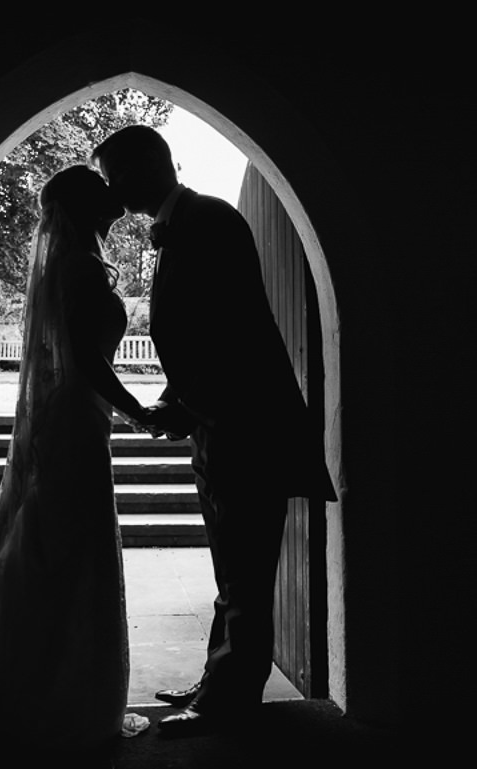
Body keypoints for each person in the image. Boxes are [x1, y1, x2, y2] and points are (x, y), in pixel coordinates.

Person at [91, 125, 339, 736]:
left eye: (115, 176)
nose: (112, 190)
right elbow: (196, 338)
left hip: (247, 428)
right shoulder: (184, 226)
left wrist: (183, 406)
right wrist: (175, 398)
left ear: (148, 166)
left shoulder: (211, 220)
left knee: (246, 573)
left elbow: (234, 333)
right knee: (232, 570)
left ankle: (228, 702)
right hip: (219, 424)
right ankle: (216, 678)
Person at [0, 165, 153, 763]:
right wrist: (139, 411)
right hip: (76, 418)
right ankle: (53, 697)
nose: (114, 194)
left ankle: (38, 686)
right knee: (71, 548)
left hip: (76, 416)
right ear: (85, 206)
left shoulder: (72, 265)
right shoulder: (80, 269)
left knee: (59, 546)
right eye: (102, 189)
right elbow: (87, 360)